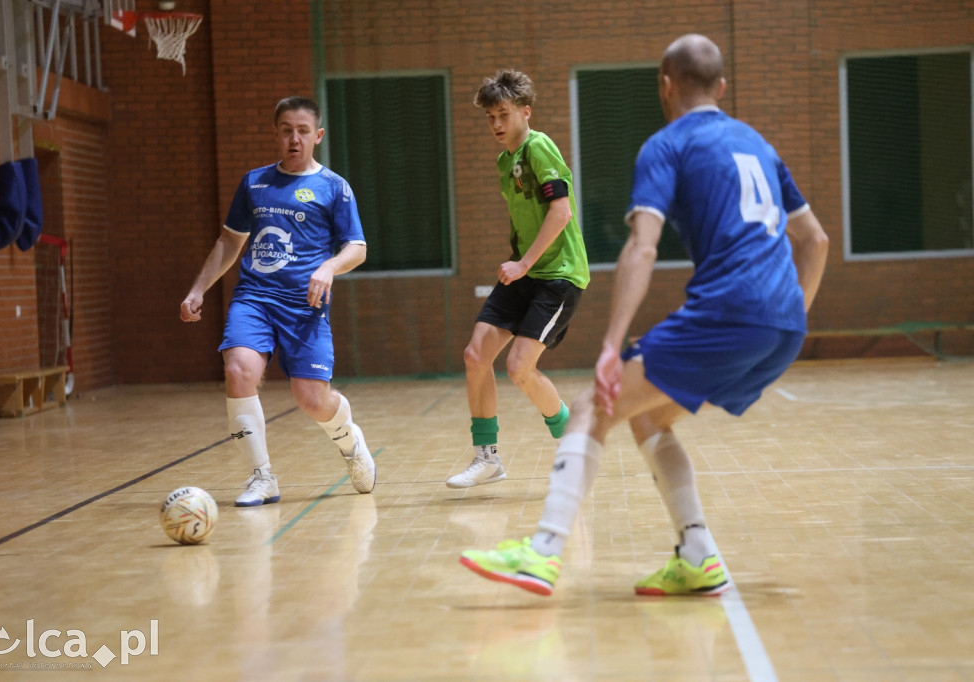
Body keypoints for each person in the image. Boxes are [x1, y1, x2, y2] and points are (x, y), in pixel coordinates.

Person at [459, 34, 829, 595]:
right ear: (721, 87)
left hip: (727, 312)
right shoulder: (758, 143)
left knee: (591, 407)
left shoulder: (667, 145)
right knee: (649, 417)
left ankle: (541, 554)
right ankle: (698, 556)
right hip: (785, 324)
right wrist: (791, 317)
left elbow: (642, 247)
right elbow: (815, 240)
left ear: (665, 85)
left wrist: (612, 344)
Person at [180, 95, 376, 506]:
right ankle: (262, 477)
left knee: (311, 400)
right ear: (275, 134)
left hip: (305, 305)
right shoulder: (254, 183)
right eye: (286, 131)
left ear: (318, 135)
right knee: (238, 370)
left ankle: (350, 441)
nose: (294, 139)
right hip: (255, 298)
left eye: (302, 131)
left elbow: (357, 248)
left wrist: (329, 267)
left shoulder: (334, 187)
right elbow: (229, 241)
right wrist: (198, 289)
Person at [447, 69, 591, 489]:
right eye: (490, 117)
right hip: (526, 269)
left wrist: (523, 264)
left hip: (559, 274)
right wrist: (519, 261)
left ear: (525, 112)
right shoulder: (504, 161)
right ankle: (487, 458)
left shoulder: (538, 146)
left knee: (518, 367)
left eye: (503, 114)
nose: (496, 124)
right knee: (475, 356)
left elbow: (561, 212)